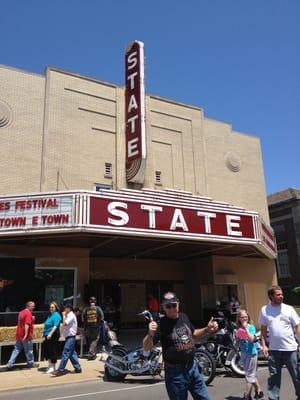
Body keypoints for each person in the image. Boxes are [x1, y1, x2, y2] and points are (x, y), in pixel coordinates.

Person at [143, 291, 218, 400]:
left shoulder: (184, 317)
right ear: (163, 307)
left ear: (178, 303)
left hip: (193, 368)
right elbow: (146, 347)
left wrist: (206, 329)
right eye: (168, 306)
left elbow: (193, 333)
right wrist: (150, 334)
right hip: (175, 374)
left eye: (174, 305)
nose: (172, 308)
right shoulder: (161, 324)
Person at [259, 285, 300, 400]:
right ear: (271, 296)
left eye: (281, 294)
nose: (281, 296)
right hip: (273, 350)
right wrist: (264, 345)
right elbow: (263, 328)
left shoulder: (289, 309)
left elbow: (297, 327)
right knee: (274, 378)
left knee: (297, 376)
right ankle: (273, 398)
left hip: (290, 349)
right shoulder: (264, 310)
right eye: (278, 294)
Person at [235, 309, 264, 400]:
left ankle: (247, 396)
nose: (244, 318)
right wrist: (237, 339)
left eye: (246, 316)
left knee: (249, 376)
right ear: (239, 318)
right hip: (244, 353)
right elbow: (237, 343)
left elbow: (252, 340)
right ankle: (259, 391)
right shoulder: (238, 329)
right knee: (251, 374)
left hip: (252, 353)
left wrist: (246, 329)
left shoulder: (251, 327)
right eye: (242, 317)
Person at [6, 301, 38, 370]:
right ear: (28, 306)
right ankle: (30, 363)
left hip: (19, 334)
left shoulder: (21, 312)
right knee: (29, 350)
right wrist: (26, 334)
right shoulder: (28, 313)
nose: (33, 307)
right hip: (25, 336)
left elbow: (21, 323)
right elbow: (27, 324)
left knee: (16, 350)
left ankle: (9, 364)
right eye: (32, 306)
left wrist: (31, 319)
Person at [52, 303, 82, 376]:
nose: (64, 309)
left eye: (65, 308)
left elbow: (65, 324)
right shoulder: (68, 315)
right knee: (71, 353)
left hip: (71, 337)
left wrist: (63, 315)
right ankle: (78, 368)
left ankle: (60, 370)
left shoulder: (71, 315)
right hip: (68, 337)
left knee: (65, 353)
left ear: (69, 308)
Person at [42, 302, 62, 374]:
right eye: (50, 307)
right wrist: (43, 333)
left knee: (53, 351)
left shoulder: (56, 315)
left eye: (53, 307)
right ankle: (50, 365)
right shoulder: (50, 315)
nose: (51, 308)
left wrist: (50, 334)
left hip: (53, 335)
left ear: (56, 308)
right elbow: (46, 324)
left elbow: (55, 326)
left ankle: (53, 367)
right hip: (47, 335)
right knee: (47, 351)